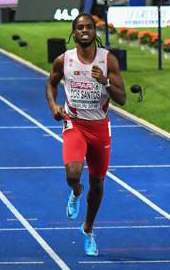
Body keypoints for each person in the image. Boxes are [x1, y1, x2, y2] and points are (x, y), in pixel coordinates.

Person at [46, 13, 126, 256]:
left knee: (98, 183)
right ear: (74, 32)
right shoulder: (64, 60)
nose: (84, 31)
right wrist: (54, 107)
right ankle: (75, 192)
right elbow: (51, 84)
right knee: (72, 174)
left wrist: (104, 83)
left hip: (99, 128)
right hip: (75, 123)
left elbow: (122, 99)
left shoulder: (107, 60)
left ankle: (88, 229)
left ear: (94, 31)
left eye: (88, 27)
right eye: (79, 27)